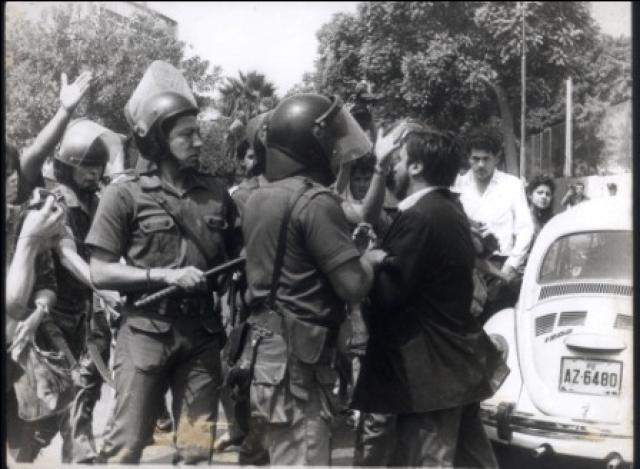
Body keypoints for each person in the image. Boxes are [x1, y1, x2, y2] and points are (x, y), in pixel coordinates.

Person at [87, 61, 239, 464]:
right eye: (186, 135)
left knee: (196, 449)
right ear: (158, 139)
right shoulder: (124, 194)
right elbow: (100, 271)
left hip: (201, 338)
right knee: (126, 444)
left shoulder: (217, 193)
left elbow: (236, 258)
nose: (198, 142)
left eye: (198, 133)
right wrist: (164, 275)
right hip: (144, 334)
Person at [241, 93, 386, 465]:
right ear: (309, 142)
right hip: (298, 362)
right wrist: (370, 259)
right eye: (330, 141)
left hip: (270, 354)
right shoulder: (316, 201)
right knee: (304, 455)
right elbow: (353, 285)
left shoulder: (259, 197)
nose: (337, 150)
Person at [351, 123, 506, 467]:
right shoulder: (447, 208)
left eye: (399, 159)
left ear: (417, 167)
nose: (394, 166)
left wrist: (369, 262)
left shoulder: (421, 217)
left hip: (430, 375)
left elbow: (388, 295)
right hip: (454, 368)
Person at [454, 129, 533, 319]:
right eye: (475, 159)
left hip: (501, 267)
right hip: (467, 270)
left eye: (486, 159)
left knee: (497, 325)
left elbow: (525, 228)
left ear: (496, 158)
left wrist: (511, 266)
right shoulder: (458, 185)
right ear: (468, 158)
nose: (480, 164)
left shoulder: (512, 185)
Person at [6, 71, 92, 205]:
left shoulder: (9, 152)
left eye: (9, 173)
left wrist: (64, 111)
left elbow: (39, 150)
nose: (12, 179)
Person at [526, 174, 556, 240]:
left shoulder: (552, 219)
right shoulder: (524, 218)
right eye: (540, 193)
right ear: (530, 195)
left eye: (548, 194)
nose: (544, 197)